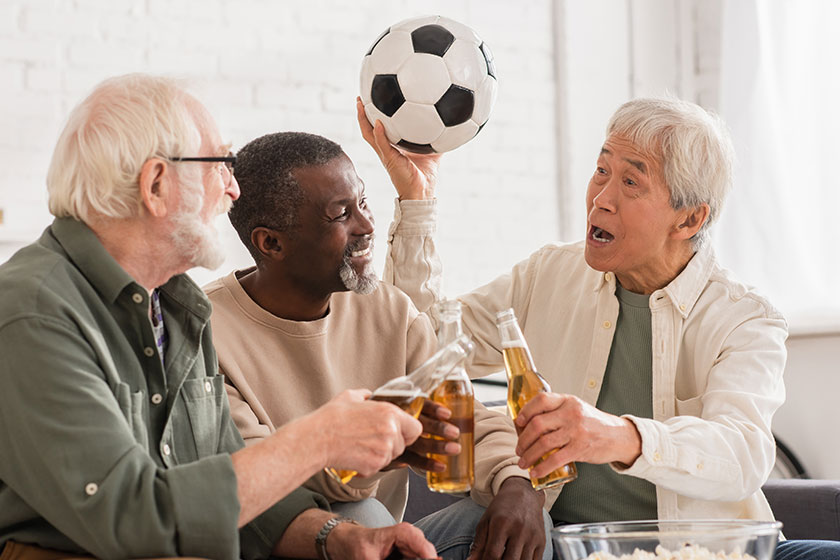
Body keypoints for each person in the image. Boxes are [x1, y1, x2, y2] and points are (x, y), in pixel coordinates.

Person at [360, 96, 840, 559]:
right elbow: (420, 345)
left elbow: (742, 452)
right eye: (601, 170)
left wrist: (616, 436)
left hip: (704, 552)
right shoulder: (548, 274)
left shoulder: (745, 318)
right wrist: (416, 199)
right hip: (572, 546)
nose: (601, 199)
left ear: (690, 219)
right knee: (477, 524)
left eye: (632, 183)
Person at [0, 74, 438, 560]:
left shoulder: (176, 308)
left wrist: (339, 539)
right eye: (220, 165)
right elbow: (132, 519)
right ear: (157, 185)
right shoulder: (35, 314)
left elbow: (232, 474)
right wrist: (320, 438)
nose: (232, 190)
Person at [204, 131, 554, 560]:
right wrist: (370, 453)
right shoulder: (207, 333)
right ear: (271, 243)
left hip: (383, 541)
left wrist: (518, 484)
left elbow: (472, 422)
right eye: (341, 215)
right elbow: (254, 479)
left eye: (363, 203)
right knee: (362, 512)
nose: (367, 227)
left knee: (521, 519)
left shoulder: (389, 311)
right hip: (287, 544)